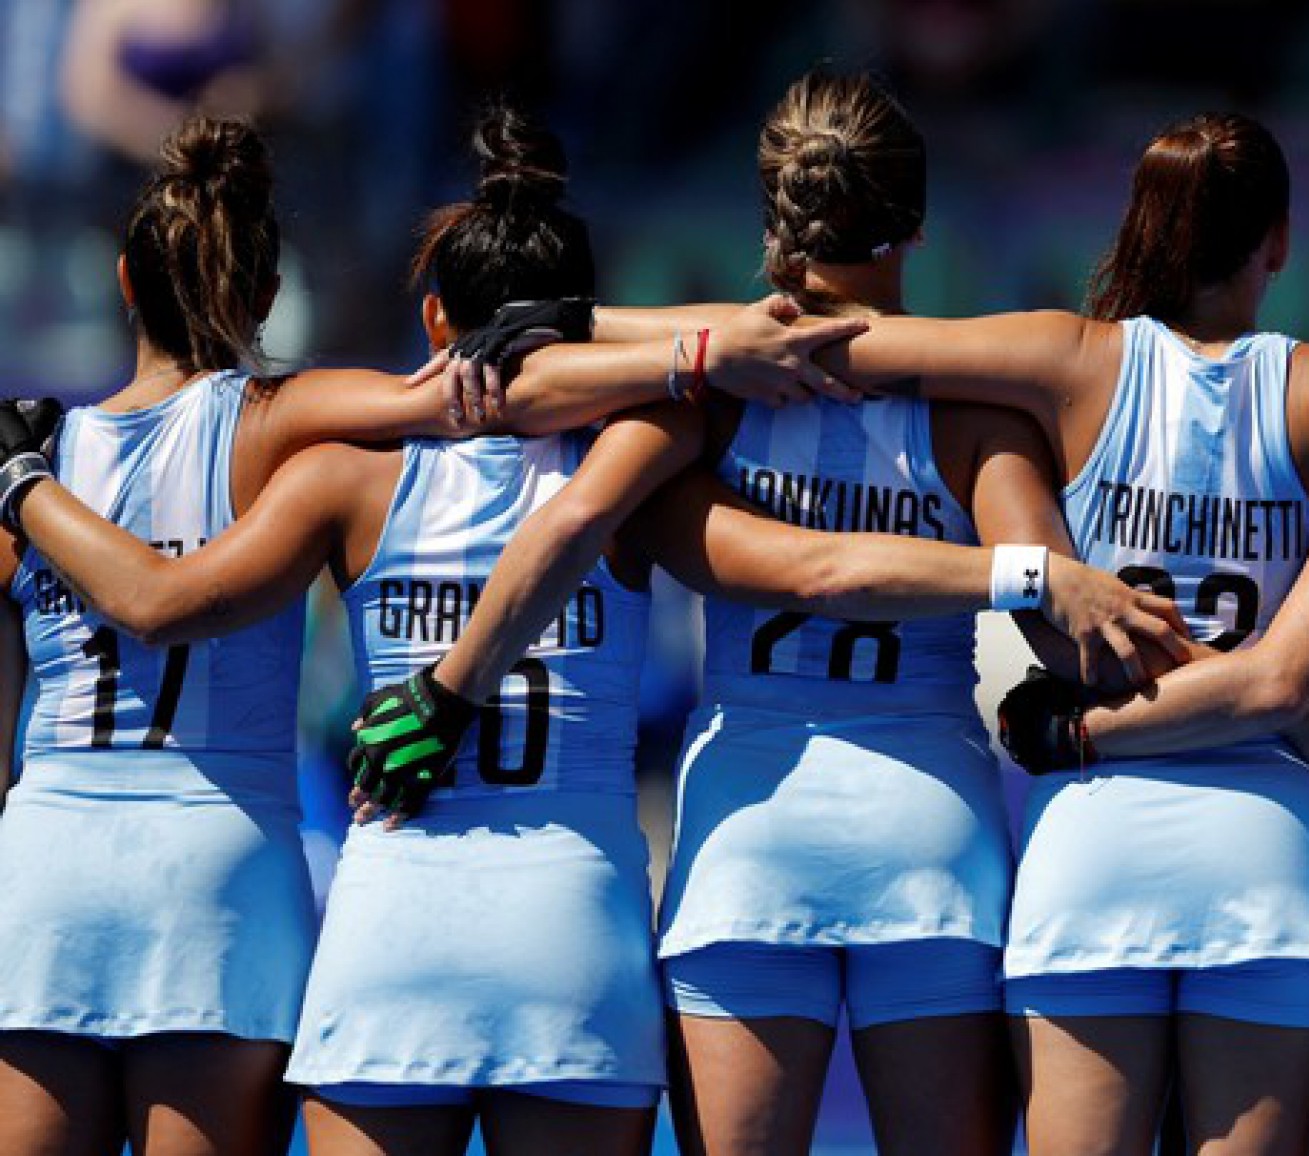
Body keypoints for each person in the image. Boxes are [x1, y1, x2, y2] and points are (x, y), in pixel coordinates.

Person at [407, 110, 1309, 1156]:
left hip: (1069, 844)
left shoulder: (1052, 366)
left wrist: (618, 333)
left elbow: (832, 346)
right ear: (1280, 242)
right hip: (1271, 859)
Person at [0, 103, 1174, 1156]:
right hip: (789, 871)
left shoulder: (354, 469)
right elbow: (710, 537)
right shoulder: (700, 428)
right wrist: (1032, 591)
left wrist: (22, 483)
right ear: (912, 227)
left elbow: (197, 578)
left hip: (603, 875)